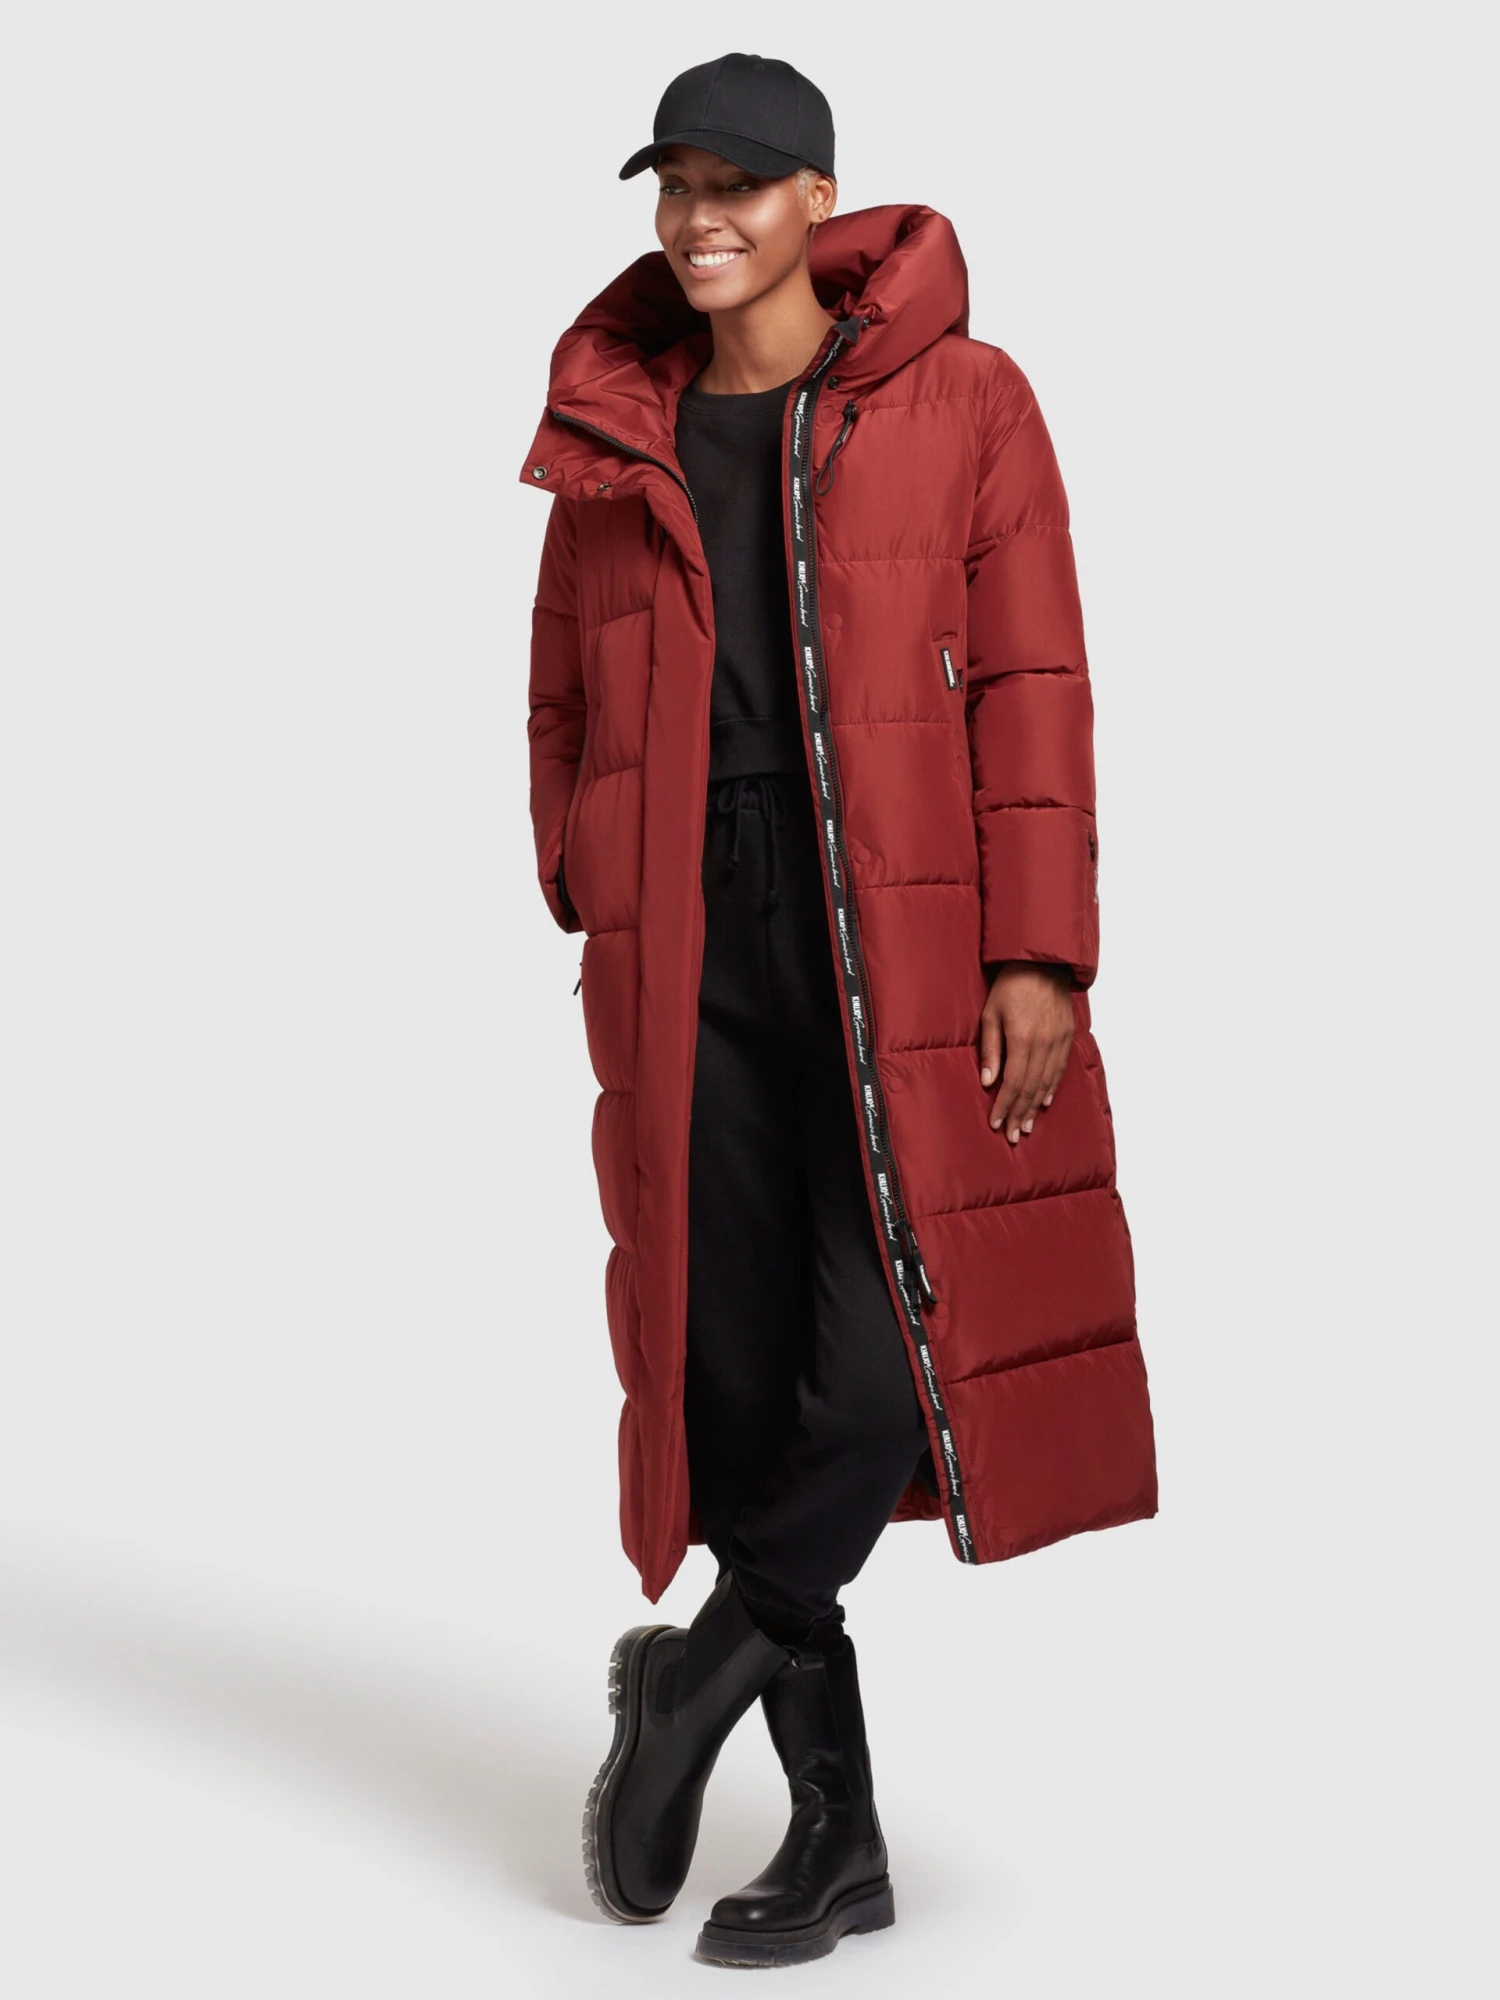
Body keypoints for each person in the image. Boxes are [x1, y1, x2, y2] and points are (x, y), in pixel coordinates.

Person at [521, 52, 1158, 1968]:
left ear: (817, 199)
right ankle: (841, 1845)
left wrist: (1039, 949)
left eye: (736, 184)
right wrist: (582, 867)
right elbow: (559, 687)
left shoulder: (964, 400)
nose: (699, 219)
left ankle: (699, 1674)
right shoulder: (618, 432)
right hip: (685, 939)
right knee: (736, 1369)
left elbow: (1034, 678)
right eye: (673, 186)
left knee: (885, 1357)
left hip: (901, 927)